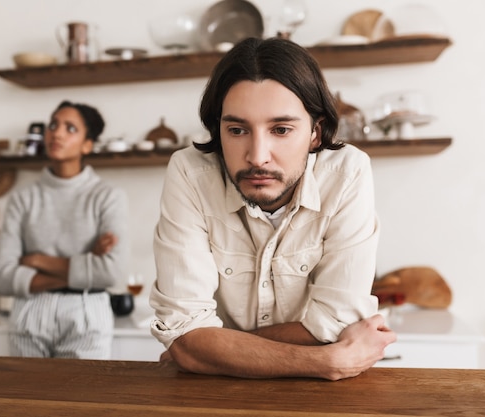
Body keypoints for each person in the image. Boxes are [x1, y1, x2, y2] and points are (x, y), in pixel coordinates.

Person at [149, 37, 396, 380]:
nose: (257, 156)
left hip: (316, 397)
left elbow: (337, 322)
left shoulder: (346, 172)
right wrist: (329, 361)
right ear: (217, 131)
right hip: (220, 394)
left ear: (315, 132)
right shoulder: (190, 173)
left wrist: (205, 350)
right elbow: (185, 335)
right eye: (237, 130)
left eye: (281, 129)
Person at [0, 100, 129, 359]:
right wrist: (86, 264)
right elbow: (0, 276)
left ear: (88, 144)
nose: (57, 132)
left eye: (70, 128)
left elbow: (112, 272)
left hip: (87, 310)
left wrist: (36, 260)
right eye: (52, 125)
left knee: (81, 399)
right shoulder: (23, 199)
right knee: (27, 399)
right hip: (29, 311)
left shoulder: (108, 197)